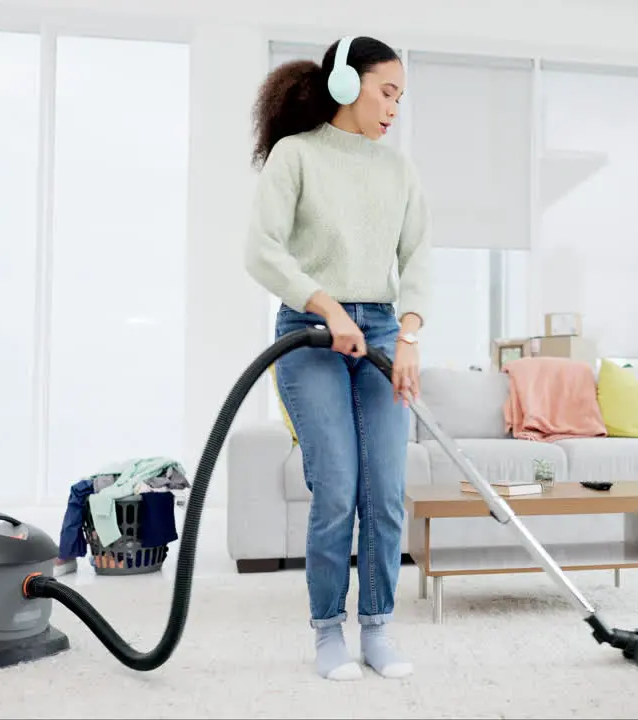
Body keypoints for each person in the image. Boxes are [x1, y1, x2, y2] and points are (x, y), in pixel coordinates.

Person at [244, 35, 430, 681]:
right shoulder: (296, 156)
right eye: (387, 91)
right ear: (348, 85)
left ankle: (377, 627)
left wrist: (406, 337)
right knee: (337, 491)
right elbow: (263, 251)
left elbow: (418, 258)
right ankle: (328, 632)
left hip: (379, 330)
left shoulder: (397, 171)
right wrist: (328, 308)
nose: (394, 108)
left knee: (385, 492)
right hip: (309, 332)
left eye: (400, 97)